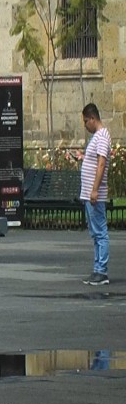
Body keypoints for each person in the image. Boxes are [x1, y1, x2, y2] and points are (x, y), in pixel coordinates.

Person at [80, 103, 111, 286]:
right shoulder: (97, 137)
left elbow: (101, 164)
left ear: (93, 118)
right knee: (95, 233)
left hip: (95, 195)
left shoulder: (102, 136)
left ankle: (102, 271)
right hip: (90, 194)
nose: (85, 125)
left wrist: (94, 189)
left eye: (85, 121)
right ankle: (98, 268)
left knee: (100, 232)